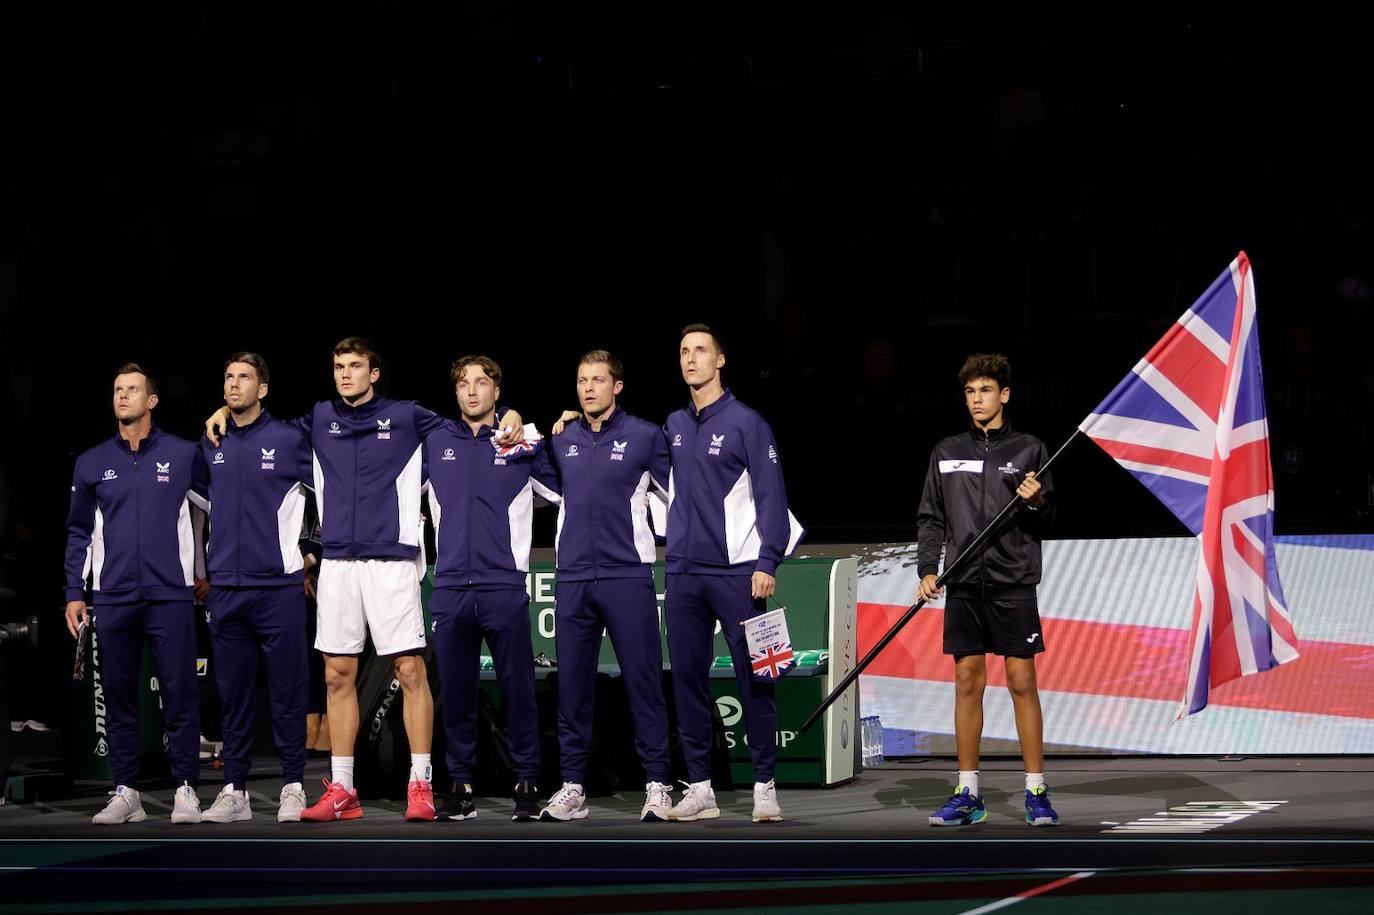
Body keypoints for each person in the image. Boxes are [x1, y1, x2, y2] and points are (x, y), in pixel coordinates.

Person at [205, 338, 523, 822]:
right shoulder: (316, 420)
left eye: (355, 366)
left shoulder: (408, 416)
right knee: (337, 675)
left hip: (390, 562)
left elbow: (469, 428)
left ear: (374, 374)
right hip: (337, 563)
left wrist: (512, 415)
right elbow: (263, 432)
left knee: (410, 671)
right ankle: (344, 790)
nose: (345, 374)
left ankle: (421, 784)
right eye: (338, 366)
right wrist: (224, 413)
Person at [661, 324, 801, 824]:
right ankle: (700, 787)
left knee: (756, 677)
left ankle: (765, 785)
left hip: (739, 572)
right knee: (687, 682)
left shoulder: (748, 423)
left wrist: (768, 561)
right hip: (683, 573)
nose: (691, 359)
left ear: (720, 360)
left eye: (700, 351)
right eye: (684, 352)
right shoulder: (673, 424)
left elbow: (772, 495)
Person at [917, 353, 1060, 828]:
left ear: (1004, 394)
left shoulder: (1029, 450)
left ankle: (1037, 792)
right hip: (962, 582)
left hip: (1012, 582)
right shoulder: (945, 450)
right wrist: (926, 568)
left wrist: (1037, 500)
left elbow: (1051, 518)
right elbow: (932, 517)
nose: (976, 400)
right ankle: (968, 794)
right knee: (966, 683)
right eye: (969, 392)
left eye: (984, 390)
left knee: (1022, 683)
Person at [64, 364, 210, 824]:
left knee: (180, 693)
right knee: (120, 695)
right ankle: (126, 791)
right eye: (117, 391)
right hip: (113, 596)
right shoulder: (91, 462)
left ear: (152, 400)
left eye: (132, 390)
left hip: (170, 593)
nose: (122, 397)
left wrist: (208, 570)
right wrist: (74, 591)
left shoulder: (185, 455)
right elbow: (78, 533)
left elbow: (220, 511)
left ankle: (186, 787)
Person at [534, 350, 675, 823]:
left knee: (644, 683)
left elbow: (680, 496)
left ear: (617, 386)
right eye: (581, 380)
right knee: (572, 687)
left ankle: (657, 784)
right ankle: (572, 786)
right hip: (572, 578)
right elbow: (542, 481)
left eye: (597, 380)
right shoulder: (563, 437)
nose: (588, 387)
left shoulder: (644, 436)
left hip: (627, 577)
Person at [423, 355, 551, 822]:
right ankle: (460, 785)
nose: (472, 391)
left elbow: (564, 489)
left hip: (503, 587)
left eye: (481, 383)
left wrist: (534, 425)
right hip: (452, 588)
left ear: (498, 392)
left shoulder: (522, 443)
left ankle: (527, 782)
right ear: (455, 393)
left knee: (519, 689)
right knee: (456, 693)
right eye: (463, 384)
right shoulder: (434, 443)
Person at [197, 353, 314, 823]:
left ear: (262, 388)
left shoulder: (289, 439)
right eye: (227, 377)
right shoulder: (210, 442)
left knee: (289, 691)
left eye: (244, 377)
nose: (234, 384)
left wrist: (311, 553)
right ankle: (235, 790)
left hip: (278, 588)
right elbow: (192, 508)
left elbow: (331, 491)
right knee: (233, 693)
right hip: (225, 588)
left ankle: (292, 785)